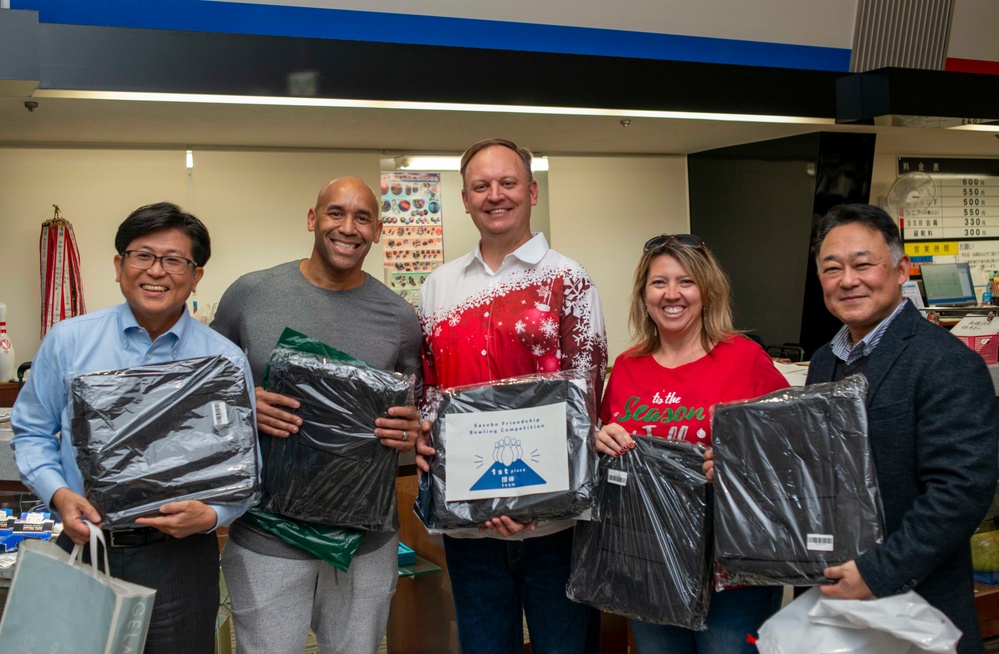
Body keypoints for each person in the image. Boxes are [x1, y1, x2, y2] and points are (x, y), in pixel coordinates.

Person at [12, 202, 255, 654]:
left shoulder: (223, 360)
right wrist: (60, 495)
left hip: (179, 557)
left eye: (174, 260)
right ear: (119, 266)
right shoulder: (69, 341)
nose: (156, 271)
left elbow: (243, 466)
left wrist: (213, 515)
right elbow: (30, 431)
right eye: (142, 255)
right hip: (86, 543)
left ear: (196, 274)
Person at [211, 176, 423, 654]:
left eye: (362, 217)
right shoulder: (250, 295)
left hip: (364, 540)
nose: (348, 227)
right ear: (313, 219)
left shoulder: (400, 318)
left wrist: (410, 431)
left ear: (378, 231)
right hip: (267, 532)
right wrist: (244, 406)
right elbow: (205, 397)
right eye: (335, 213)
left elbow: (415, 415)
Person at [415, 138, 608, 653]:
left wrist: (531, 501)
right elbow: (429, 393)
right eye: (481, 186)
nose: (494, 195)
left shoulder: (568, 278)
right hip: (470, 527)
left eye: (507, 183)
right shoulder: (439, 285)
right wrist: (424, 436)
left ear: (532, 191)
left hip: (555, 528)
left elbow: (587, 398)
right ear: (464, 198)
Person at [805, 203, 999, 654]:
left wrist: (877, 572)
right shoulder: (823, 361)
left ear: (900, 269)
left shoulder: (946, 361)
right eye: (832, 269)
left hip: (918, 605)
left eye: (863, 264)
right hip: (833, 601)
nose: (848, 280)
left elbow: (960, 492)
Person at [597, 233, 788, 652]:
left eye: (685, 282)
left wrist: (742, 465)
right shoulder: (627, 366)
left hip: (733, 572)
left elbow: (791, 452)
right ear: (643, 295)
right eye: (658, 282)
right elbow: (611, 458)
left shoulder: (746, 359)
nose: (672, 294)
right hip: (650, 566)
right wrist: (601, 442)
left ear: (707, 290)